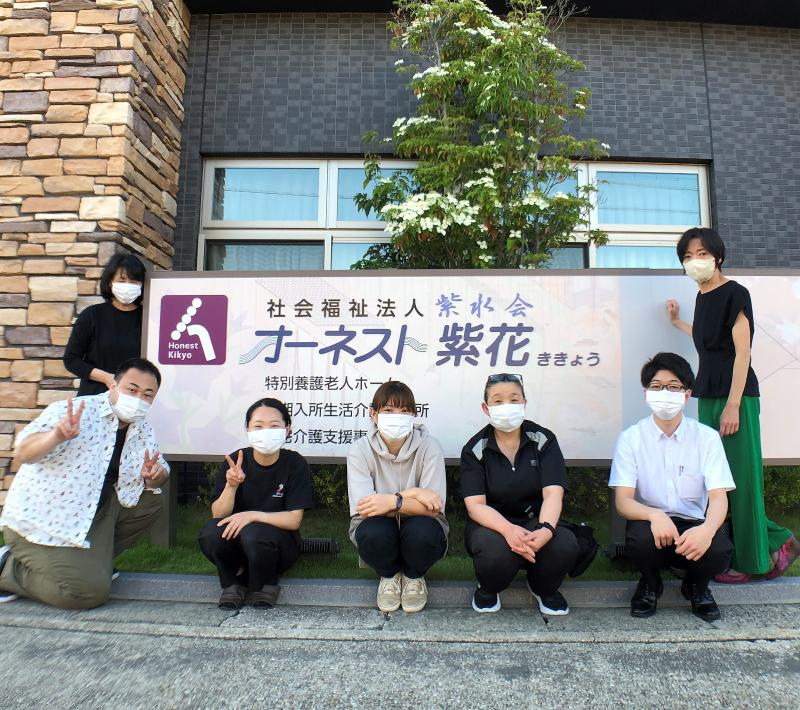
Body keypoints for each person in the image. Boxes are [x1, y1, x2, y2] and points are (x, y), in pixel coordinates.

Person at [666, 227, 799, 582]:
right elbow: (707, 339)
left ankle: (753, 563)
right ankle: (779, 539)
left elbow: (743, 352)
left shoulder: (735, 293)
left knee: (741, 481)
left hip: (735, 397)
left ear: (718, 256)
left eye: (701, 254)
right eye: (688, 256)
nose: (695, 261)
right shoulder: (702, 296)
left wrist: (733, 405)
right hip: (707, 395)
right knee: (715, 481)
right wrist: (677, 322)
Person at [0, 358, 169, 609]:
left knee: (151, 500)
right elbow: (23, 453)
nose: (138, 399)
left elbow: (161, 471)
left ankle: (92, 564)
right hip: (43, 522)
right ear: (113, 385)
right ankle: (8, 567)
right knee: (87, 593)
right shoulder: (75, 411)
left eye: (147, 394)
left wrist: (154, 475)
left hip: (92, 516)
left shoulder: (143, 429)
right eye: (132, 390)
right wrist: (56, 436)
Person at [609, 353, 735, 621]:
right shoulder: (631, 439)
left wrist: (707, 530)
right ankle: (650, 584)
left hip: (693, 523)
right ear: (646, 394)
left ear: (687, 395)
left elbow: (718, 497)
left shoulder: (707, 438)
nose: (664, 393)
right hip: (651, 525)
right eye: (656, 386)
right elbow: (623, 501)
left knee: (720, 550)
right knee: (639, 541)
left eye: (673, 386)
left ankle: (697, 586)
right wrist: (654, 515)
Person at [460, 373, 578, 616]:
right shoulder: (475, 448)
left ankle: (543, 587)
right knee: (493, 550)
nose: (507, 406)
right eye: (498, 401)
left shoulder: (543, 440)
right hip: (492, 525)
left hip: (535, 519)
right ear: (486, 408)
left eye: (514, 400)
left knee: (563, 543)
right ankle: (488, 588)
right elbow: (475, 505)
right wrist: (508, 530)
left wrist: (546, 529)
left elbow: (553, 493)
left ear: (524, 403)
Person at [198, 398, 314, 610]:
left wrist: (251, 516)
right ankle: (232, 585)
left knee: (254, 533)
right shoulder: (236, 460)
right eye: (258, 426)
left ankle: (265, 585)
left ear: (288, 429)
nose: (266, 432)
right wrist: (231, 486)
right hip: (239, 541)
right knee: (211, 533)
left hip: (279, 545)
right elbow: (218, 514)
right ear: (248, 429)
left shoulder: (295, 463)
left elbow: (294, 520)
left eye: (274, 426)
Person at [347, 381, 448, 614]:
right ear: (374, 415)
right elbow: (366, 508)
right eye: (388, 410)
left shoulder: (430, 447)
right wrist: (414, 495)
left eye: (404, 411)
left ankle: (414, 576)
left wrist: (393, 501)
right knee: (374, 532)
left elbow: (433, 509)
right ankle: (389, 575)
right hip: (378, 524)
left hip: (419, 525)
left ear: (413, 415)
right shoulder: (360, 450)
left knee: (424, 531)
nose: (397, 417)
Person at [64, 252, 147, 396]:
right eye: (122, 280)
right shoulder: (92, 315)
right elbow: (71, 359)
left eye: (134, 282)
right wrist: (106, 378)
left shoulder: (148, 318)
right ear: (110, 282)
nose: (128, 286)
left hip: (135, 399)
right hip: (94, 396)